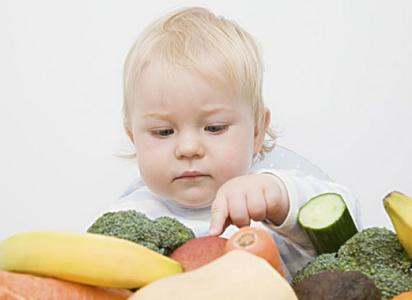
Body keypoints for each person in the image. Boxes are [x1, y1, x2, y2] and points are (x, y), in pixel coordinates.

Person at [106, 6, 361, 280]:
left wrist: (280, 198)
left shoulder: (269, 200)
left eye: (214, 128)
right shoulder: (128, 218)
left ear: (257, 132)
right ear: (134, 138)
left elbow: (352, 229)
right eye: (164, 132)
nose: (189, 148)